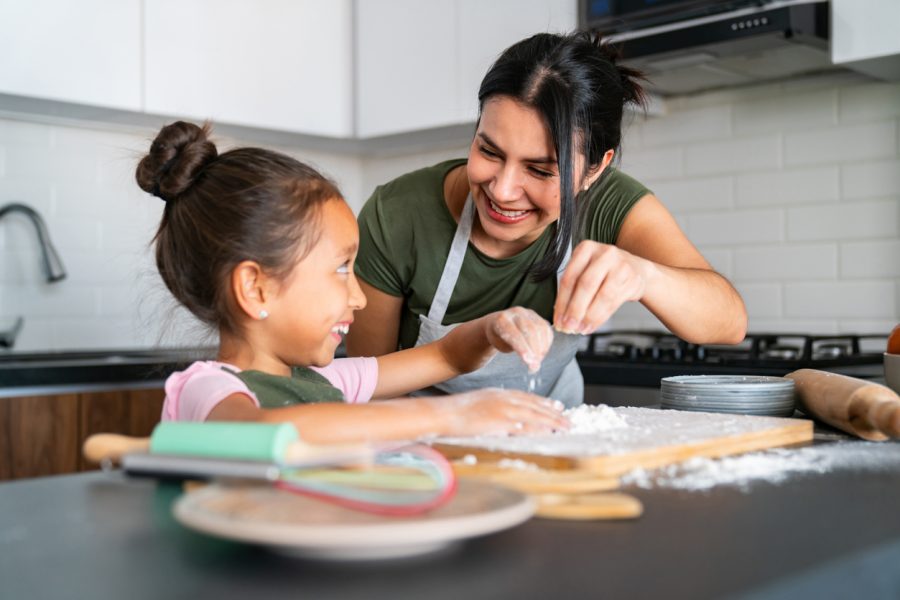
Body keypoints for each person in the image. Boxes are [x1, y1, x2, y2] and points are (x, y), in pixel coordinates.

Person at [347, 31, 748, 406]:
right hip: (424, 448)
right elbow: (367, 388)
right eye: (489, 151)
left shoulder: (611, 204)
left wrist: (644, 276)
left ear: (595, 169)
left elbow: (728, 322)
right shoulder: (398, 214)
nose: (502, 189)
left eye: (540, 170)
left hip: (554, 434)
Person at [135, 120, 568, 444]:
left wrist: (494, 329)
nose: (359, 298)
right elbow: (259, 434)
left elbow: (448, 357)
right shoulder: (208, 390)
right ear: (256, 288)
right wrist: (449, 416)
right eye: (342, 268)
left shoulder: (328, 382)